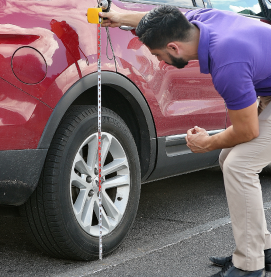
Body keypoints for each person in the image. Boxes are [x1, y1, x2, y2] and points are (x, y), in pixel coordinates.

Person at [99, 5, 271, 277]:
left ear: (174, 47)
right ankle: (262, 248)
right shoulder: (195, 22)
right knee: (230, 159)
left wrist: (207, 143)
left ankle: (250, 267)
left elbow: (247, 130)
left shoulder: (227, 62)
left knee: (240, 165)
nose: (160, 62)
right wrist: (118, 17)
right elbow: (155, 18)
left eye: (158, 55)